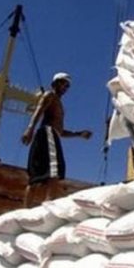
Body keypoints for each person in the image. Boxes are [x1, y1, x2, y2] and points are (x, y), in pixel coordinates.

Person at [22, 73, 92, 202]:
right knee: (54, 171)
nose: (65, 88)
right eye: (63, 84)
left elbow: (60, 131)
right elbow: (39, 110)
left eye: (67, 86)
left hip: (50, 135)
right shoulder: (50, 95)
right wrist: (30, 129)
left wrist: (78, 134)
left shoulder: (59, 104)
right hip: (47, 134)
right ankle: (48, 205)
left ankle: (33, 207)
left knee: (40, 176)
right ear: (55, 83)